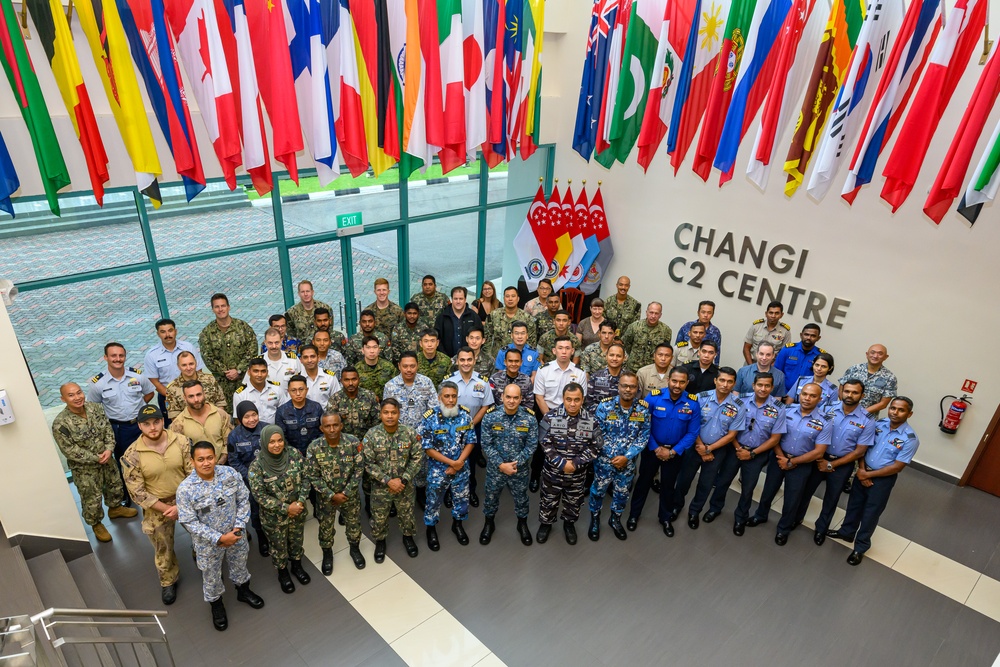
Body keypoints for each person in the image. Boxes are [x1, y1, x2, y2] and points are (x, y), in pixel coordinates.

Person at [176, 441, 264, 631]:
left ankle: (243, 591)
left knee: (240, 564)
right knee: (211, 575)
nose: (206, 463)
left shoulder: (230, 474)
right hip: (208, 544)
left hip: (236, 535)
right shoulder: (185, 489)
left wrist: (239, 528)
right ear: (192, 461)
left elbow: (243, 499)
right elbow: (189, 522)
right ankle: (217, 605)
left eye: (209, 458)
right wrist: (219, 538)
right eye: (200, 459)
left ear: (215, 457)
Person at [828, 397, 920, 565]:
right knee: (854, 505)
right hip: (864, 471)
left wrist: (868, 476)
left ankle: (860, 547)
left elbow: (897, 467)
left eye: (901, 410)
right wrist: (862, 470)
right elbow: (862, 448)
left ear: (909, 414)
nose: (895, 412)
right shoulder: (878, 425)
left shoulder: (910, 439)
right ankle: (846, 532)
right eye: (893, 408)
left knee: (871, 513)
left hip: (882, 480)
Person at [121, 404, 193, 605]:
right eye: (146, 424)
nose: (152, 427)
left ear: (163, 421)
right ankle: (168, 580)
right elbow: (137, 492)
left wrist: (181, 504)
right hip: (156, 506)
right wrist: (166, 508)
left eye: (156, 422)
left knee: (201, 533)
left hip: (185, 499)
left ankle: (203, 559)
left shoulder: (181, 441)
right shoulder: (132, 454)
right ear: (139, 426)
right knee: (163, 547)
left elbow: (192, 474)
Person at [747, 384, 832, 546]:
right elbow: (774, 437)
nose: (807, 398)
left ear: (820, 399)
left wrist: (792, 462)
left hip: (802, 463)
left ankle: (783, 528)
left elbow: (819, 452)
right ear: (799, 395)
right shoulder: (785, 411)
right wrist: (781, 457)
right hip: (779, 458)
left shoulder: (825, 421)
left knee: (792, 498)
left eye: (812, 396)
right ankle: (760, 515)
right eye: (804, 394)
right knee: (769, 489)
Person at [52, 383, 137, 543]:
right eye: (71, 395)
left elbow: (107, 429)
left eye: (79, 393)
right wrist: (96, 457)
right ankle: (96, 524)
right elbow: (70, 450)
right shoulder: (61, 424)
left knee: (114, 485)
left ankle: (115, 508)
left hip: (107, 459)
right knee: (91, 498)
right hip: (85, 469)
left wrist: (109, 449)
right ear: (63, 399)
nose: (77, 397)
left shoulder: (95, 408)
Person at [798, 380, 875, 545]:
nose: (849, 395)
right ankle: (796, 519)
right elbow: (813, 434)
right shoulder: (826, 408)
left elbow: (860, 451)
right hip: (818, 458)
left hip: (842, 464)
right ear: (842, 392)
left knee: (831, 498)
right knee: (805, 491)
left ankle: (821, 529)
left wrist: (832, 465)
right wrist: (820, 459)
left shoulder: (867, 420)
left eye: (854, 392)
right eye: (847, 391)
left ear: (862, 395)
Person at [627, 368, 699, 536]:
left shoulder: (693, 403)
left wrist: (673, 452)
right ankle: (633, 515)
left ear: (687, 383)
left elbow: (692, 433)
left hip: (675, 452)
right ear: (668, 380)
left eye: (682, 382)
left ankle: (665, 518)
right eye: (674, 381)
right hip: (652, 449)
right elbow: (643, 425)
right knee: (643, 483)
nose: (677, 385)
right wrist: (655, 448)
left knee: (668, 486)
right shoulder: (653, 397)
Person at [673, 368, 746, 529]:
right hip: (694, 446)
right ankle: (676, 506)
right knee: (684, 480)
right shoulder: (700, 398)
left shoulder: (739, 406)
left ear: (734, 384)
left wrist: (709, 449)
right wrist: (700, 446)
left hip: (717, 451)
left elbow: (732, 435)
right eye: (722, 380)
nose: (725, 385)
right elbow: (691, 425)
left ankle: (694, 511)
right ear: (715, 381)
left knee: (706, 484)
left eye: (729, 382)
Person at [715, 373, 787, 535]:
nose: (763, 389)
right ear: (753, 385)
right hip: (735, 449)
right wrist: (738, 448)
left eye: (767, 386)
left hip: (757, 454)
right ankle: (715, 508)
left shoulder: (779, 408)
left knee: (748, 488)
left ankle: (740, 517)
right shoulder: (740, 400)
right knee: (723, 480)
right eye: (760, 385)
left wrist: (752, 453)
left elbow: (775, 438)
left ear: (772, 387)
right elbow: (729, 427)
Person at [87, 342, 156, 506]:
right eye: (113, 356)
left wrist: (138, 410)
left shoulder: (137, 376)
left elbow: (149, 393)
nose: (118, 359)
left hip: (140, 425)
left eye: (121, 355)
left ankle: (152, 489)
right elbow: (94, 408)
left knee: (149, 457)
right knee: (124, 463)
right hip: (118, 428)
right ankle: (129, 495)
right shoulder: (98, 383)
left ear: (125, 356)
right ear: (106, 357)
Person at [536, 383, 603, 545]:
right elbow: (544, 442)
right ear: (563, 399)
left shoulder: (591, 420)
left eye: (576, 400)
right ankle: (546, 524)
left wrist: (575, 463)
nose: (572, 404)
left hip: (577, 474)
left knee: (573, 502)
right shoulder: (550, 417)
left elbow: (596, 446)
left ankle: (569, 524)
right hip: (553, 473)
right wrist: (561, 463)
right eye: (569, 399)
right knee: (548, 500)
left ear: (582, 400)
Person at [248, 425, 311, 593]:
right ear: (263, 443)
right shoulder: (256, 467)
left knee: (296, 541)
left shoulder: (294, 455)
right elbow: (259, 495)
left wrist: (301, 502)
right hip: (274, 519)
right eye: (271, 442)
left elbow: (306, 477)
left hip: (297, 511)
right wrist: (285, 508)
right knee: (278, 547)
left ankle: (296, 566)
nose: (277, 445)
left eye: (279, 440)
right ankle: (282, 572)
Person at [588, 372, 649, 541]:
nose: (628, 389)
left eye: (632, 386)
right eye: (624, 385)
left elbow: (643, 436)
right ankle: (594, 519)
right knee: (598, 491)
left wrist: (626, 457)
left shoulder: (643, 409)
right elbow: (596, 432)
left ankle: (615, 519)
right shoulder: (605, 406)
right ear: (618, 387)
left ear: (637, 389)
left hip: (627, 464)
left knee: (622, 493)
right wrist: (613, 456)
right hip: (604, 461)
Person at [363, 398, 423, 563]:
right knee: (379, 516)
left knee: (407, 514)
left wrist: (403, 479)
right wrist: (388, 480)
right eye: (386, 412)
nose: (390, 416)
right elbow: (367, 463)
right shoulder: (371, 435)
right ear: (381, 414)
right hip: (381, 487)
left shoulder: (409, 433)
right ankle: (380, 541)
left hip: (405, 485)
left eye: (393, 412)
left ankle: (408, 537)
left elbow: (417, 457)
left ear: (399, 413)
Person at [306, 413, 367, 574]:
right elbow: (312, 475)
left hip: (350, 495)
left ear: (341, 425)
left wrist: (345, 492)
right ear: (321, 428)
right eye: (327, 426)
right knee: (325, 527)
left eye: (335, 425)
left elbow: (359, 469)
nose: (332, 429)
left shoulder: (353, 442)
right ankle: (327, 553)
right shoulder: (314, 447)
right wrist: (331, 495)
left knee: (354, 524)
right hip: (326, 499)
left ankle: (354, 549)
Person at [480, 384, 537, 546]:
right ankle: (489, 522)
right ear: (502, 397)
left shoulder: (529, 418)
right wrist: (500, 464)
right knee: (491, 497)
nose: (511, 401)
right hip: (495, 469)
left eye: (515, 398)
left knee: (521, 498)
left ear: (521, 399)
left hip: (519, 469)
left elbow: (531, 445)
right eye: (508, 397)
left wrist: (515, 463)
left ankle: (522, 523)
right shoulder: (491, 417)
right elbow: (486, 444)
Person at [420, 383, 475, 550]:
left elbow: (471, 441)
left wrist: (458, 464)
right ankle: (431, 529)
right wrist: (452, 463)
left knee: (461, 499)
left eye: (453, 396)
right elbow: (428, 449)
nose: (450, 400)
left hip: (461, 467)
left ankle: (457, 525)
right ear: (439, 398)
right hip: (439, 469)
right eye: (446, 396)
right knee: (433, 500)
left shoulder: (465, 416)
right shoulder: (430, 418)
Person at [532, 337, 588, 491]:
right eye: (560, 348)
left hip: (572, 415)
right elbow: (539, 396)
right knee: (541, 447)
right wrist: (552, 419)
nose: (564, 351)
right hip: (546, 412)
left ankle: (568, 480)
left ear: (572, 351)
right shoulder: (544, 370)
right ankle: (535, 476)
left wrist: (565, 420)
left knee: (568, 448)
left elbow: (581, 398)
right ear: (554, 351)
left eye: (567, 348)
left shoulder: (580, 373)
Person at [446, 347, 495, 507]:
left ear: (474, 361)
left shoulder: (483, 382)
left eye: (469, 360)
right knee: (451, 460)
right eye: (462, 360)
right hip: (451, 429)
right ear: (457, 361)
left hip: (474, 428)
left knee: (471, 461)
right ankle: (449, 491)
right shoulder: (449, 382)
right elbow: (443, 406)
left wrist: (471, 424)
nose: (466, 363)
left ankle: (471, 490)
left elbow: (485, 406)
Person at [198, 293, 259, 413]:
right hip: (222, 386)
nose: (220, 309)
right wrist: (226, 372)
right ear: (213, 309)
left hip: (245, 381)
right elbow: (207, 357)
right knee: (225, 417)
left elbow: (252, 349)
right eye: (217, 307)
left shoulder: (243, 327)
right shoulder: (207, 333)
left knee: (249, 412)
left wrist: (239, 370)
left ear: (228, 307)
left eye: (223, 306)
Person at [226, 402, 269, 556]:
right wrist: (252, 476)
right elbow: (234, 461)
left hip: (270, 477)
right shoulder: (234, 436)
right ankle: (262, 537)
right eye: (247, 416)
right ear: (239, 418)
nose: (251, 419)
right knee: (256, 511)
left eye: (254, 415)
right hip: (249, 482)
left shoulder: (267, 429)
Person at [144, 318, 204, 419]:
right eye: (163, 332)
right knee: (174, 428)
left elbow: (198, 370)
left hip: (194, 395)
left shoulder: (188, 347)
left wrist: (191, 393)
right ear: (158, 334)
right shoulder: (152, 355)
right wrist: (173, 395)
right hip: (168, 397)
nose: (167, 335)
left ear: (175, 331)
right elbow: (154, 381)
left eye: (170, 330)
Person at [170, 380, 232, 462]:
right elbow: (180, 452)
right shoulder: (178, 423)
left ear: (204, 394)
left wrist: (220, 464)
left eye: (198, 394)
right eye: (191, 396)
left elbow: (229, 443)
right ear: (185, 398)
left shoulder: (221, 414)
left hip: (223, 465)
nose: (196, 399)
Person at [165, 351, 227, 419]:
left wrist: (218, 420)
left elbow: (220, 402)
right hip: (188, 426)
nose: (188, 368)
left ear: (196, 363)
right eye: (184, 365)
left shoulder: (210, 380)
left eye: (191, 364)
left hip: (213, 420)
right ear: (178, 366)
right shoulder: (172, 388)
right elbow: (174, 415)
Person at [838, 345, 898, 415]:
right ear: (867, 354)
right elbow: (841, 390)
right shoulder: (854, 369)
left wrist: (861, 414)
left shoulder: (890, 378)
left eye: (880, 353)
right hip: (844, 413)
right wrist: (846, 408)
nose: (875, 356)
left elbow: (883, 404)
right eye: (872, 352)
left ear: (886, 357)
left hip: (867, 419)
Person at [274, 376, 324, 456]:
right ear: (288, 392)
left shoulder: (316, 408)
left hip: (316, 451)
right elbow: (281, 437)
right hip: (290, 454)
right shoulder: (282, 411)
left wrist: (315, 447)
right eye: (293, 390)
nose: (298, 393)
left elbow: (323, 431)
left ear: (306, 390)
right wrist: (293, 452)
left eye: (301, 389)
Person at [326, 367, 381, 440]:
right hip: (344, 443)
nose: (350, 383)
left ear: (359, 380)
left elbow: (377, 422)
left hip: (367, 441)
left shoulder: (370, 397)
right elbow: (331, 425)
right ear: (341, 381)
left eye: (354, 379)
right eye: (346, 380)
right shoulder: (334, 399)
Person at [232, 358, 288, 424]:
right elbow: (239, 420)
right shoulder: (240, 394)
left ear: (267, 372)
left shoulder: (277, 389)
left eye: (263, 371)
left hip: (274, 431)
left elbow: (285, 413)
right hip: (251, 432)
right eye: (256, 371)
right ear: (249, 372)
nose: (259, 375)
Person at [621, 302, 672, 373]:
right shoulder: (634, 327)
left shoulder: (666, 331)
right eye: (651, 312)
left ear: (660, 315)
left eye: (656, 313)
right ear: (646, 312)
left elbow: (664, 350)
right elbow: (626, 344)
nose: (653, 316)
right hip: (634, 368)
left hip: (653, 370)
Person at [773, 323, 824, 393]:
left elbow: (819, 379)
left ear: (818, 338)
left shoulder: (820, 356)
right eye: (806, 334)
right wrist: (780, 392)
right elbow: (776, 372)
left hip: (805, 396)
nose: (809, 338)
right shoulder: (787, 350)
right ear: (801, 335)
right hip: (783, 392)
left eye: (813, 336)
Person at [435, 286, 483, 358]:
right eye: (455, 299)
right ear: (451, 299)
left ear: (465, 299)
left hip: (469, 360)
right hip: (447, 360)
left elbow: (480, 337)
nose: (458, 301)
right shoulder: (442, 317)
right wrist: (445, 357)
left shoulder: (474, 317)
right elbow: (437, 339)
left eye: (461, 299)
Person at [486, 287, 535, 357]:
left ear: (518, 299)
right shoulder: (494, 315)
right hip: (497, 358)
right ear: (504, 298)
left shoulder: (527, 318)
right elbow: (487, 339)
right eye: (507, 296)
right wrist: (489, 358)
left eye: (513, 296)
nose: (510, 299)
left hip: (519, 359)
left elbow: (531, 341)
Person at [585, 342, 627, 409]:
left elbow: (634, 402)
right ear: (606, 356)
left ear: (624, 358)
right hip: (598, 417)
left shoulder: (629, 379)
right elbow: (588, 402)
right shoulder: (595, 377)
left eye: (618, 356)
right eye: (611, 355)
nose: (614, 359)